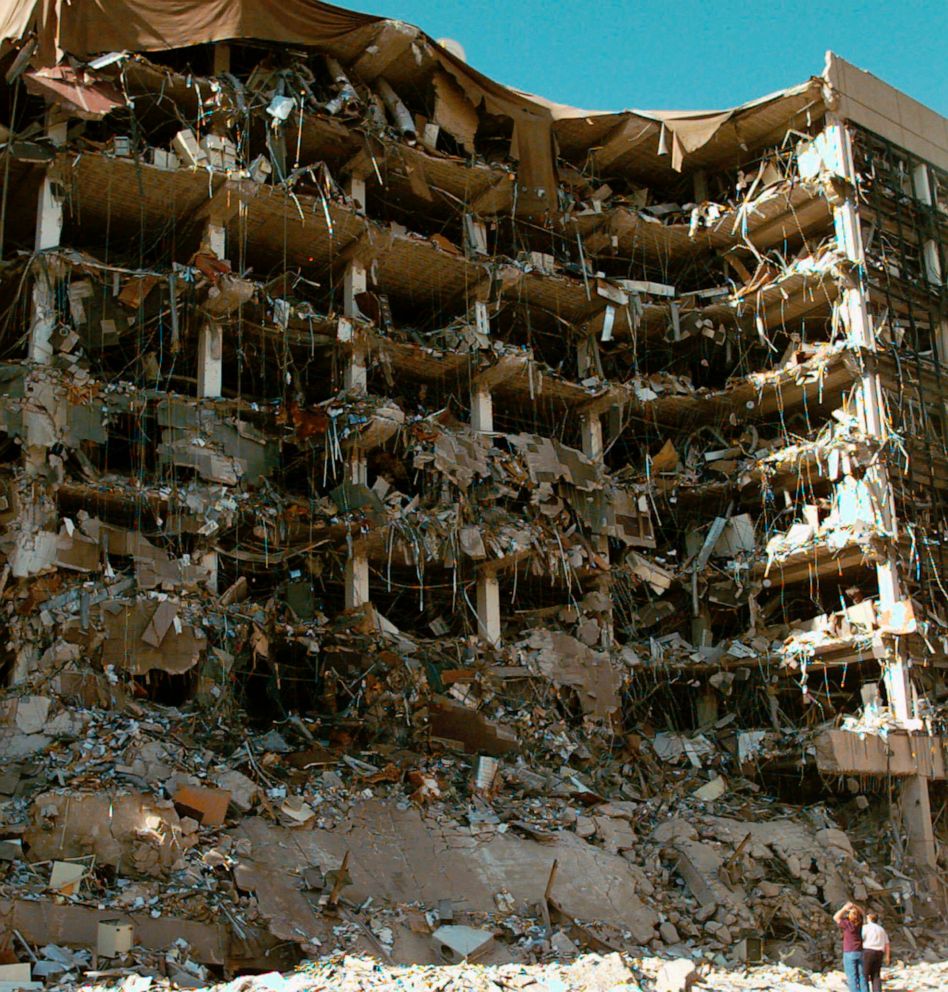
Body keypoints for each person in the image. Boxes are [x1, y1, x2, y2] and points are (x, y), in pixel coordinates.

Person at [833, 901, 868, 992]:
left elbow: (836, 917)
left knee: (852, 976)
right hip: (860, 951)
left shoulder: (847, 924)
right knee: (862, 975)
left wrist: (844, 909)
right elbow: (863, 913)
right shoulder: (859, 923)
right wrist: (855, 906)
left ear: (850, 916)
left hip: (849, 951)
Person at [861, 912, 890, 992]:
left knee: (865, 974)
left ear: (869, 919)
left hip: (868, 951)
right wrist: (887, 956)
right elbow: (887, 944)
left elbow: (861, 939)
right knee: (876, 975)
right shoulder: (881, 929)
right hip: (879, 952)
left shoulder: (865, 928)